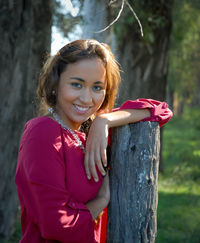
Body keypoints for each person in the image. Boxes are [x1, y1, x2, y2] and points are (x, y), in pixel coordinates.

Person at [15, 39, 173, 243]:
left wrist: (104, 119)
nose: (87, 98)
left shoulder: (90, 134)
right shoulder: (43, 132)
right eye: (76, 84)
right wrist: (101, 201)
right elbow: (57, 226)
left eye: (97, 87)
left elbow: (162, 111)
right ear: (55, 83)